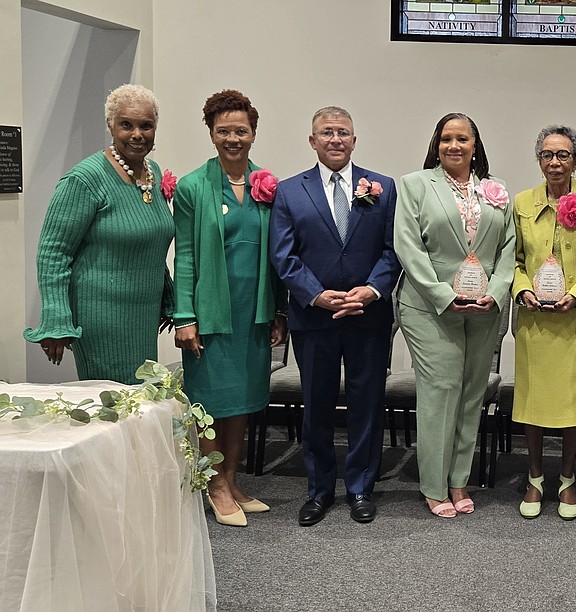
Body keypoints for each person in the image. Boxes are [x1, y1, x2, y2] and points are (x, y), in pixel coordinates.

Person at [269, 106, 400, 526]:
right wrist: (317, 295)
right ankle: (319, 490)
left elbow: (393, 249)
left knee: (367, 404)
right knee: (317, 408)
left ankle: (361, 488)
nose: (336, 139)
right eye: (327, 132)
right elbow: (283, 256)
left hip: (368, 316)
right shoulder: (290, 191)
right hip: (315, 319)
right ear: (312, 141)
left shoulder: (382, 187)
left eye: (343, 132)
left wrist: (373, 289)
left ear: (354, 140)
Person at [172, 90, 288, 527]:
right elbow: (184, 255)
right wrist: (185, 316)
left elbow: (277, 257)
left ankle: (232, 479)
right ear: (211, 133)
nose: (233, 138)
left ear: (253, 133)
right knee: (209, 402)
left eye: (241, 130)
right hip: (210, 313)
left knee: (241, 401)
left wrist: (278, 312)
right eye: (224, 131)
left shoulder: (267, 185)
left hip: (253, 312)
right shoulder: (191, 187)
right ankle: (213, 485)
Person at [394, 113, 515, 518]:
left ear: (475, 145)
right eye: (446, 138)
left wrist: (496, 293)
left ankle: (459, 478)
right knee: (442, 391)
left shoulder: (495, 190)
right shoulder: (414, 185)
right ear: (437, 144)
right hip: (430, 307)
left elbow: (508, 250)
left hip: (483, 309)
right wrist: (444, 295)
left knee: (470, 394)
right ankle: (433, 484)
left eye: (462, 138)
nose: (454, 146)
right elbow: (408, 247)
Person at [25, 84, 174, 384]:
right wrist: (57, 319)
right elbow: (53, 252)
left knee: (142, 401)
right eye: (126, 125)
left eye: (146, 126)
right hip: (102, 318)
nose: (137, 134)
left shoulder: (152, 172)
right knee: (115, 406)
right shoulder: (85, 179)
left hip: (144, 316)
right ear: (110, 125)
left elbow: (151, 242)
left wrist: (169, 296)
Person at [512, 125, 576, 520]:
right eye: (548, 155)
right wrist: (522, 289)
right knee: (534, 402)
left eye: (564, 155)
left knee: (572, 404)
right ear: (539, 160)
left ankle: (567, 479)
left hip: (574, 321)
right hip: (534, 321)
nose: (555, 162)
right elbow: (514, 260)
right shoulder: (520, 202)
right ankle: (535, 478)